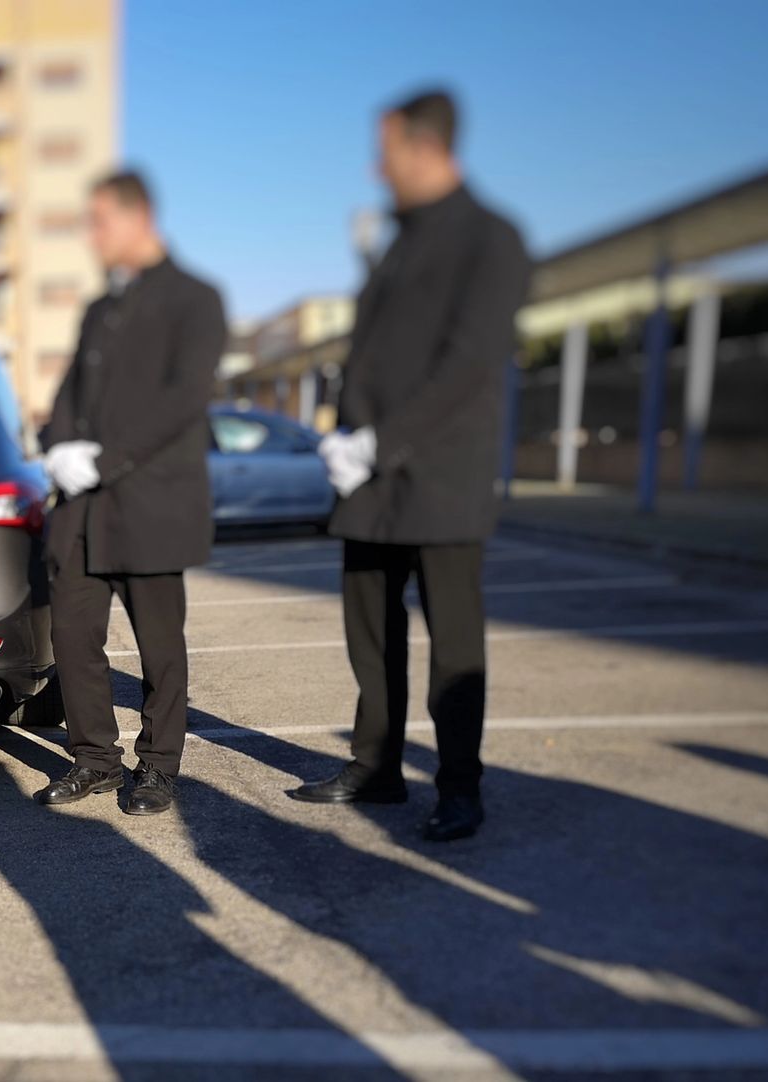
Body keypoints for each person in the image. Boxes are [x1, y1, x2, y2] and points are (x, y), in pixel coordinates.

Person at [289, 89, 531, 843]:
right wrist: (342, 432)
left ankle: (460, 786)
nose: (376, 166)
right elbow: (376, 354)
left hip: (441, 474)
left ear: (424, 149)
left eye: (384, 150)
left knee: (453, 640)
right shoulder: (399, 240)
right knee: (371, 627)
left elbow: (467, 363)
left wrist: (378, 441)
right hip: (372, 477)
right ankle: (377, 764)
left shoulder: (491, 238)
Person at [35, 171, 227, 815]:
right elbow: (69, 394)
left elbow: (185, 398)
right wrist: (58, 444)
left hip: (149, 501)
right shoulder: (100, 309)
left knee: (159, 645)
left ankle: (158, 767)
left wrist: (108, 459)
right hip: (83, 508)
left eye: (99, 222)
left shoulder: (195, 298)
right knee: (73, 634)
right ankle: (92, 760)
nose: (92, 236)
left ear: (138, 216)